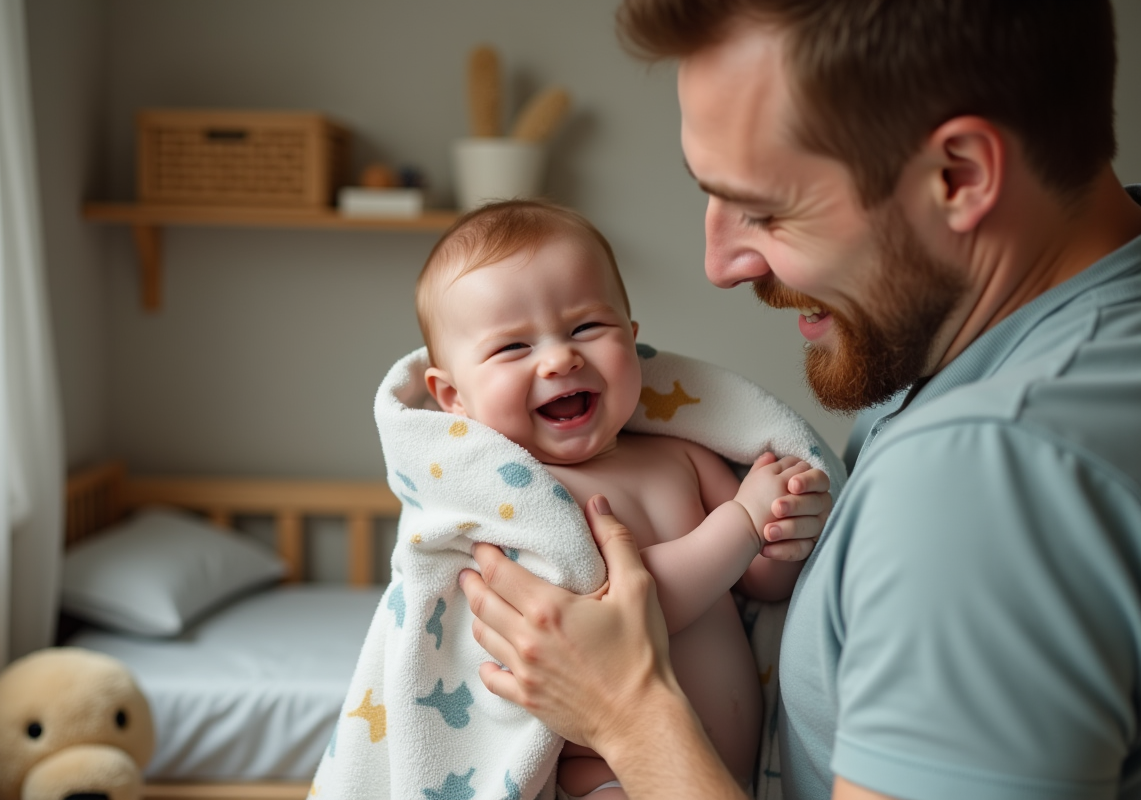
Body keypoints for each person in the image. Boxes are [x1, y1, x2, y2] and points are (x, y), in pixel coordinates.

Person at [456, 2, 1141, 799]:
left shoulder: (984, 475)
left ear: (959, 176)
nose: (722, 263)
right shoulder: (1020, 350)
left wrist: (627, 713)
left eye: (766, 209)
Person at [416, 199, 833, 798]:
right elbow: (617, 617)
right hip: (608, 776)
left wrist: (785, 524)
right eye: (513, 348)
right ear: (453, 396)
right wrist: (741, 521)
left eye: (586, 327)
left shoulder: (682, 457)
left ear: (632, 341)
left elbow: (760, 582)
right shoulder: (524, 502)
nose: (560, 357)